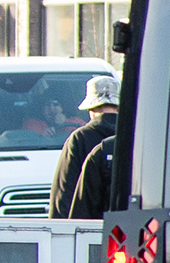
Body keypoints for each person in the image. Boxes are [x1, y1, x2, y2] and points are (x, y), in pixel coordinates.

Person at [52, 76, 121, 220]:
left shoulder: (79, 139)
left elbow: (64, 194)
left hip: (88, 233)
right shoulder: (137, 137)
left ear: (90, 108)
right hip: (134, 232)